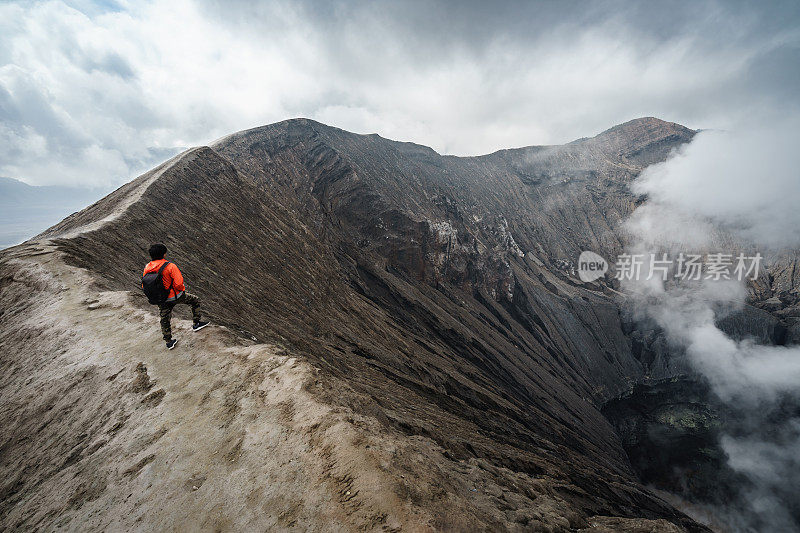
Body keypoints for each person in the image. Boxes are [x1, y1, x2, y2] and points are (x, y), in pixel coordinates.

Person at [142, 243, 209, 349]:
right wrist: (181, 292)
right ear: (164, 254)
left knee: (164, 318)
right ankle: (196, 323)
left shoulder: (147, 267)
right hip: (175, 296)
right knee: (195, 301)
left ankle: (168, 342)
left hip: (161, 298)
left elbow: (144, 284)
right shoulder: (170, 266)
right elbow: (178, 283)